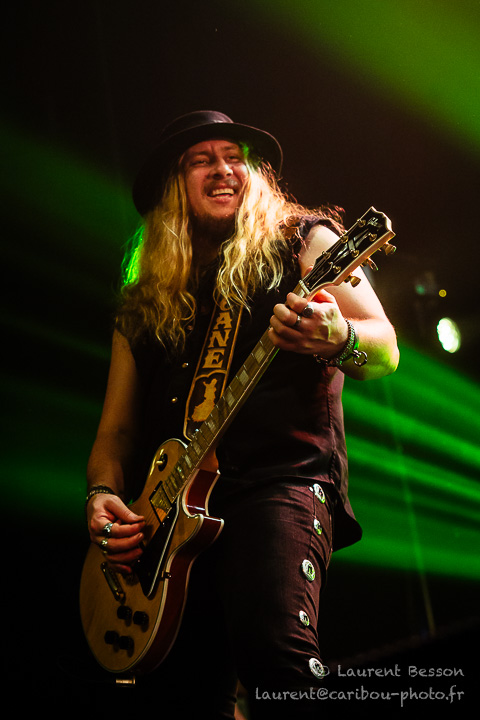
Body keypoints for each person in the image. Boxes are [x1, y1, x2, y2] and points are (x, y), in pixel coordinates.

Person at [85, 110, 399, 718]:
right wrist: (101, 495)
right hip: (164, 527)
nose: (224, 170)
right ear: (172, 186)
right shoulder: (143, 299)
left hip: (278, 482)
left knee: (278, 662)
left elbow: (384, 349)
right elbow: (116, 431)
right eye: (202, 160)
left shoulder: (305, 241)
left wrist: (338, 337)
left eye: (235, 157)